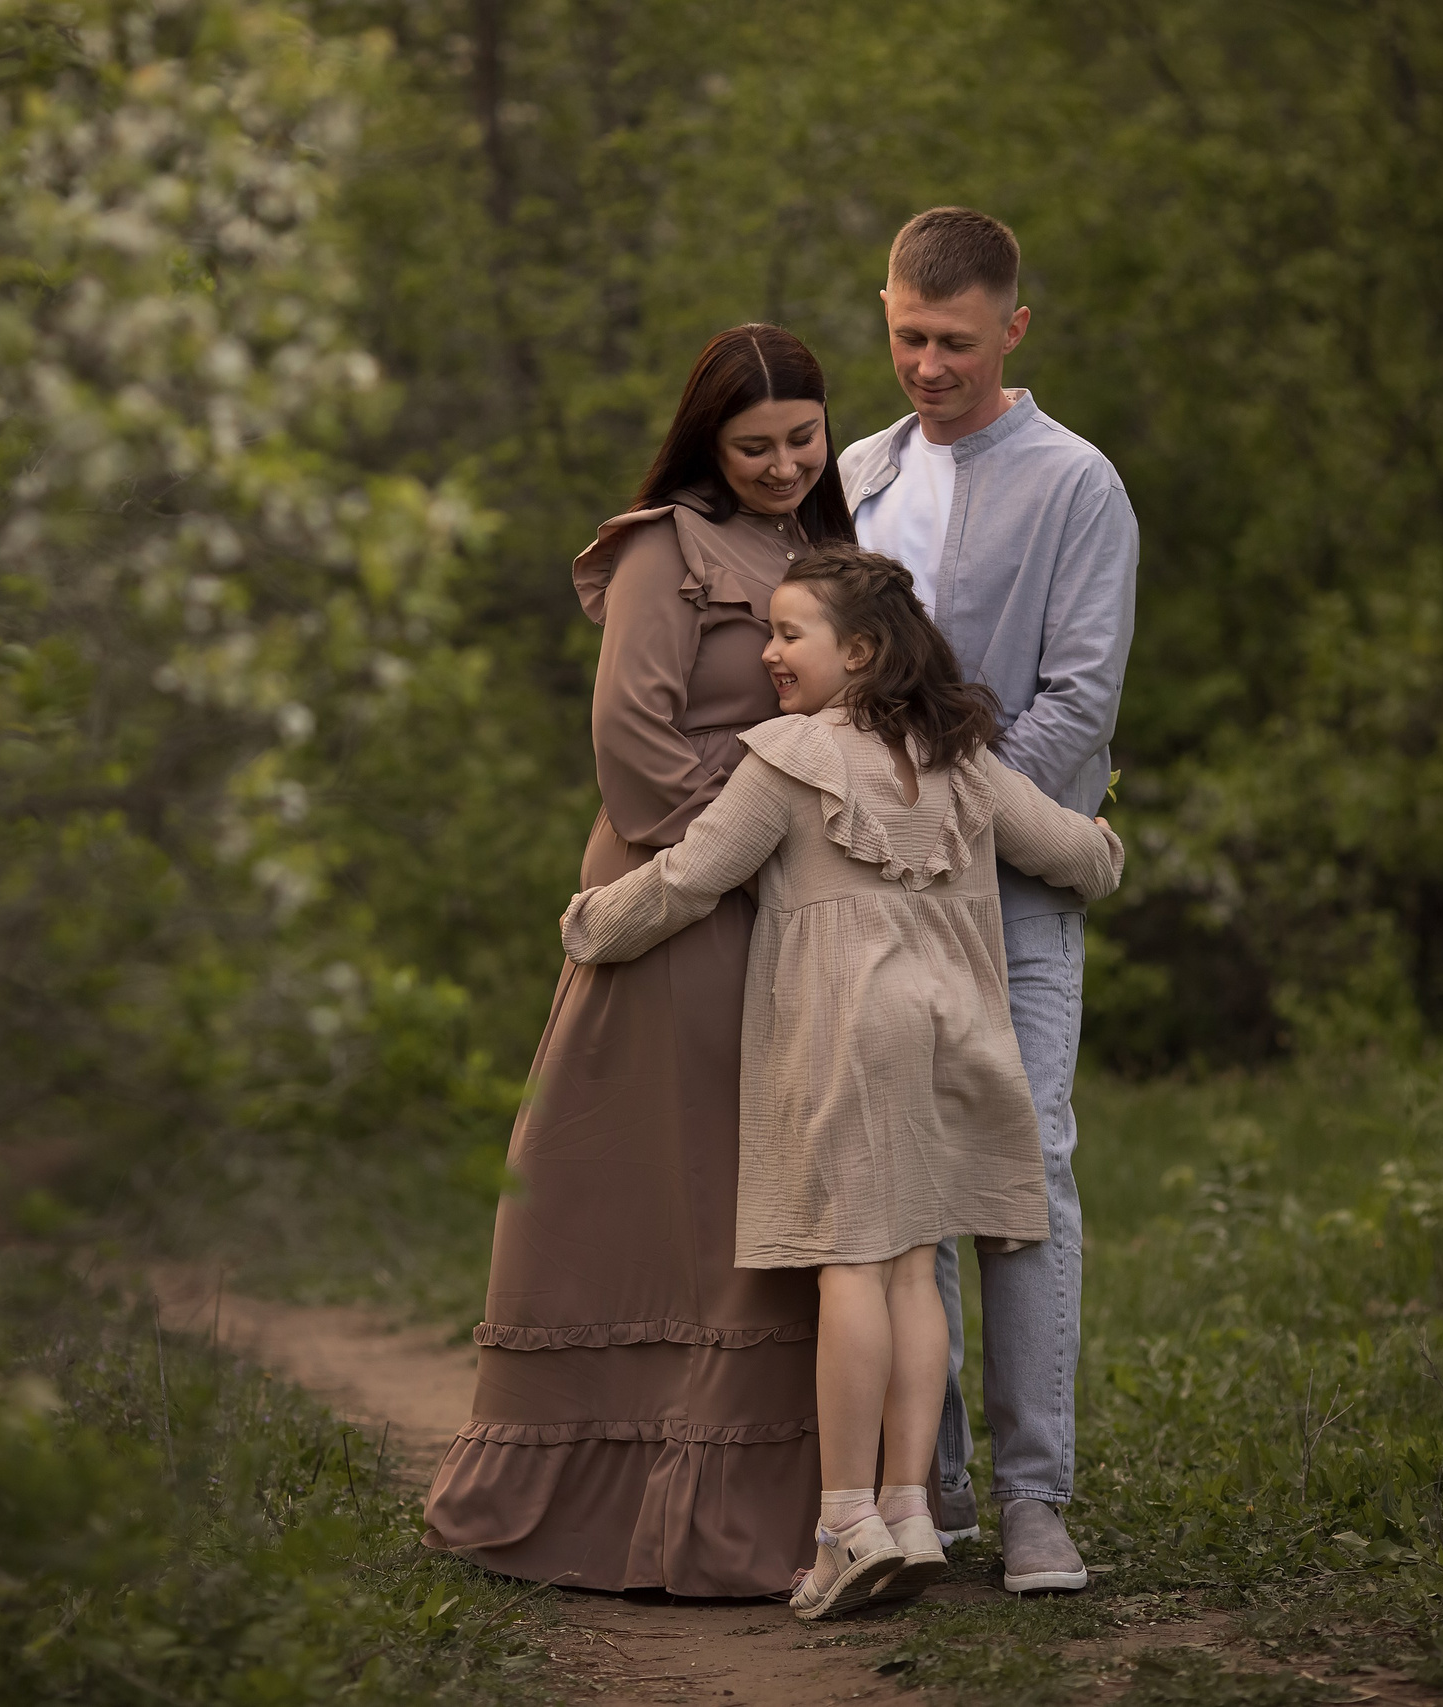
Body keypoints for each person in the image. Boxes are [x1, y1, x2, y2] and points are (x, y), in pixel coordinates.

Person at [559, 546, 1123, 1619]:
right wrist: (1106, 845)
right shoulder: (963, 758)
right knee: (913, 1273)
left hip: (847, 1036)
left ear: (857, 652)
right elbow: (1076, 857)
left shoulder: (788, 759)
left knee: (851, 1273)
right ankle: (910, 1509)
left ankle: (843, 1524)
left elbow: (691, 876)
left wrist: (590, 924)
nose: (767, 654)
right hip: (954, 1035)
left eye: (788, 634)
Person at [420, 325, 856, 1596]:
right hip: (679, 900)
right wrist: (770, 820)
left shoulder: (828, 549)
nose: (782, 464)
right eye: (753, 445)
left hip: (803, 910)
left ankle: (763, 1511)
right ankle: (607, 1507)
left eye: (802, 438)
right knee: (666, 1193)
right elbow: (634, 749)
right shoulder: (664, 548)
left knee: (770, 1197)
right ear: (704, 443)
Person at [837, 207, 1139, 1595]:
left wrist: (947, 814)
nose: (928, 367)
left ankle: (1034, 1498)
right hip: (872, 900)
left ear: (1013, 329)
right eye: (908, 336)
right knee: (905, 1186)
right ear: (885, 314)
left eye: (956, 342)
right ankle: (934, 1487)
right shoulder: (856, 477)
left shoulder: (1078, 484)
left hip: (1011, 894)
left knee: (1022, 1184)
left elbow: (1080, 700)